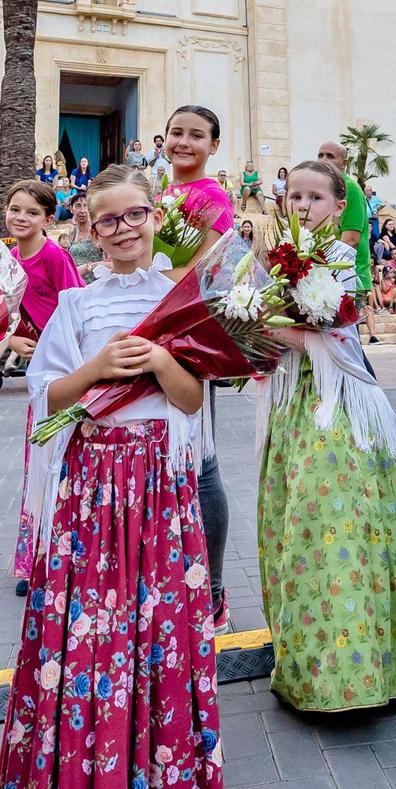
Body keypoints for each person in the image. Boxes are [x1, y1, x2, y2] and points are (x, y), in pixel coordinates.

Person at [0, 164, 219, 787]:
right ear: (91, 229)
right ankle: (85, 752)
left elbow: (191, 400)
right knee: (91, 618)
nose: (123, 229)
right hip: (92, 482)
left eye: (134, 216)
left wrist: (158, 359)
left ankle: (157, 751)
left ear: (155, 218)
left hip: (158, 482)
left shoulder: (180, 298)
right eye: (108, 220)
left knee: (155, 617)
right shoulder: (76, 304)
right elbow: (50, 396)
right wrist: (98, 366)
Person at [254, 159, 396, 711]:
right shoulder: (277, 264)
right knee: (301, 522)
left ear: (340, 206)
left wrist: (263, 322)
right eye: (294, 196)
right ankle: (312, 658)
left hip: (337, 403)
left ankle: (365, 663)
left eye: (315, 198)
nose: (302, 206)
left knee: (341, 518)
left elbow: (326, 329)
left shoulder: (340, 259)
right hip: (295, 403)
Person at [162, 104, 236, 632]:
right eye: (175, 133)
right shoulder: (163, 195)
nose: (184, 142)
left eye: (196, 135)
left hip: (186, 330)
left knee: (201, 460)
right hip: (159, 326)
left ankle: (211, 594)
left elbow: (202, 268)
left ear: (213, 146)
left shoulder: (208, 197)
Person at [0, 180, 85, 595]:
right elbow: (1, 313)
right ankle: (35, 559)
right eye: (15, 209)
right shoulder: (9, 259)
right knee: (38, 464)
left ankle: (60, 557)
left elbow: (76, 306)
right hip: (39, 374)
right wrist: (13, 339)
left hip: (66, 370)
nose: (21, 217)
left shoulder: (54, 256)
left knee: (60, 462)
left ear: (49, 219)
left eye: (32, 212)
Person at [315, 140, 372, 298]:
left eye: (330, 156)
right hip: (331, 273)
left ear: (344, 163)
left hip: (349, 275)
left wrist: (319, 265)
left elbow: (351, 239)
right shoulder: (326, 189)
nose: (323, 159)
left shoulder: (350, 188)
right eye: (320, 155)